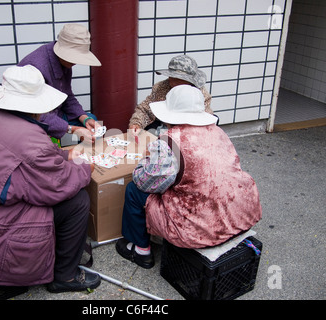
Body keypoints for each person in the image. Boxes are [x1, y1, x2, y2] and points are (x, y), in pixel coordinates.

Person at [0, 65, 101, 293]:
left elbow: (18, 157)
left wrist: (64, 154)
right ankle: (65, 276)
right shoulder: (30, 140)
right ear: (34, 106)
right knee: (77, 201)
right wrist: (86, 167)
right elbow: (59, 185)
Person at [117, 85, 262, 269]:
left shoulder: (171, 142)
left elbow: (144, 181)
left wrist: (147, 159)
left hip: (197, 226)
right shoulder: (218, 131)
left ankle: (141, 251)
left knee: (133, 190)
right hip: (239, 213)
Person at [18, 23, 102, 144]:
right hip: (32, 121)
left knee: (90, 121)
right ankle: (73, 158)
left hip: (56, 113)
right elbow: (35, 114)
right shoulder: (35, 67)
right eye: (74, 57)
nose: (76, 62)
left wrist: (84, 118)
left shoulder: (64, 62)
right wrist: (73, 130)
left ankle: (86, 159)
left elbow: (67, 96)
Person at [129, 54, 214, 134]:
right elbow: (146, 108)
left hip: (189, 131)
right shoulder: (161, 87)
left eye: (179, 79)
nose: (173, 81)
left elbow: (203, 121)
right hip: (163, 127)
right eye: (172, 77)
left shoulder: (200, 95)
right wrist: (137, 123)